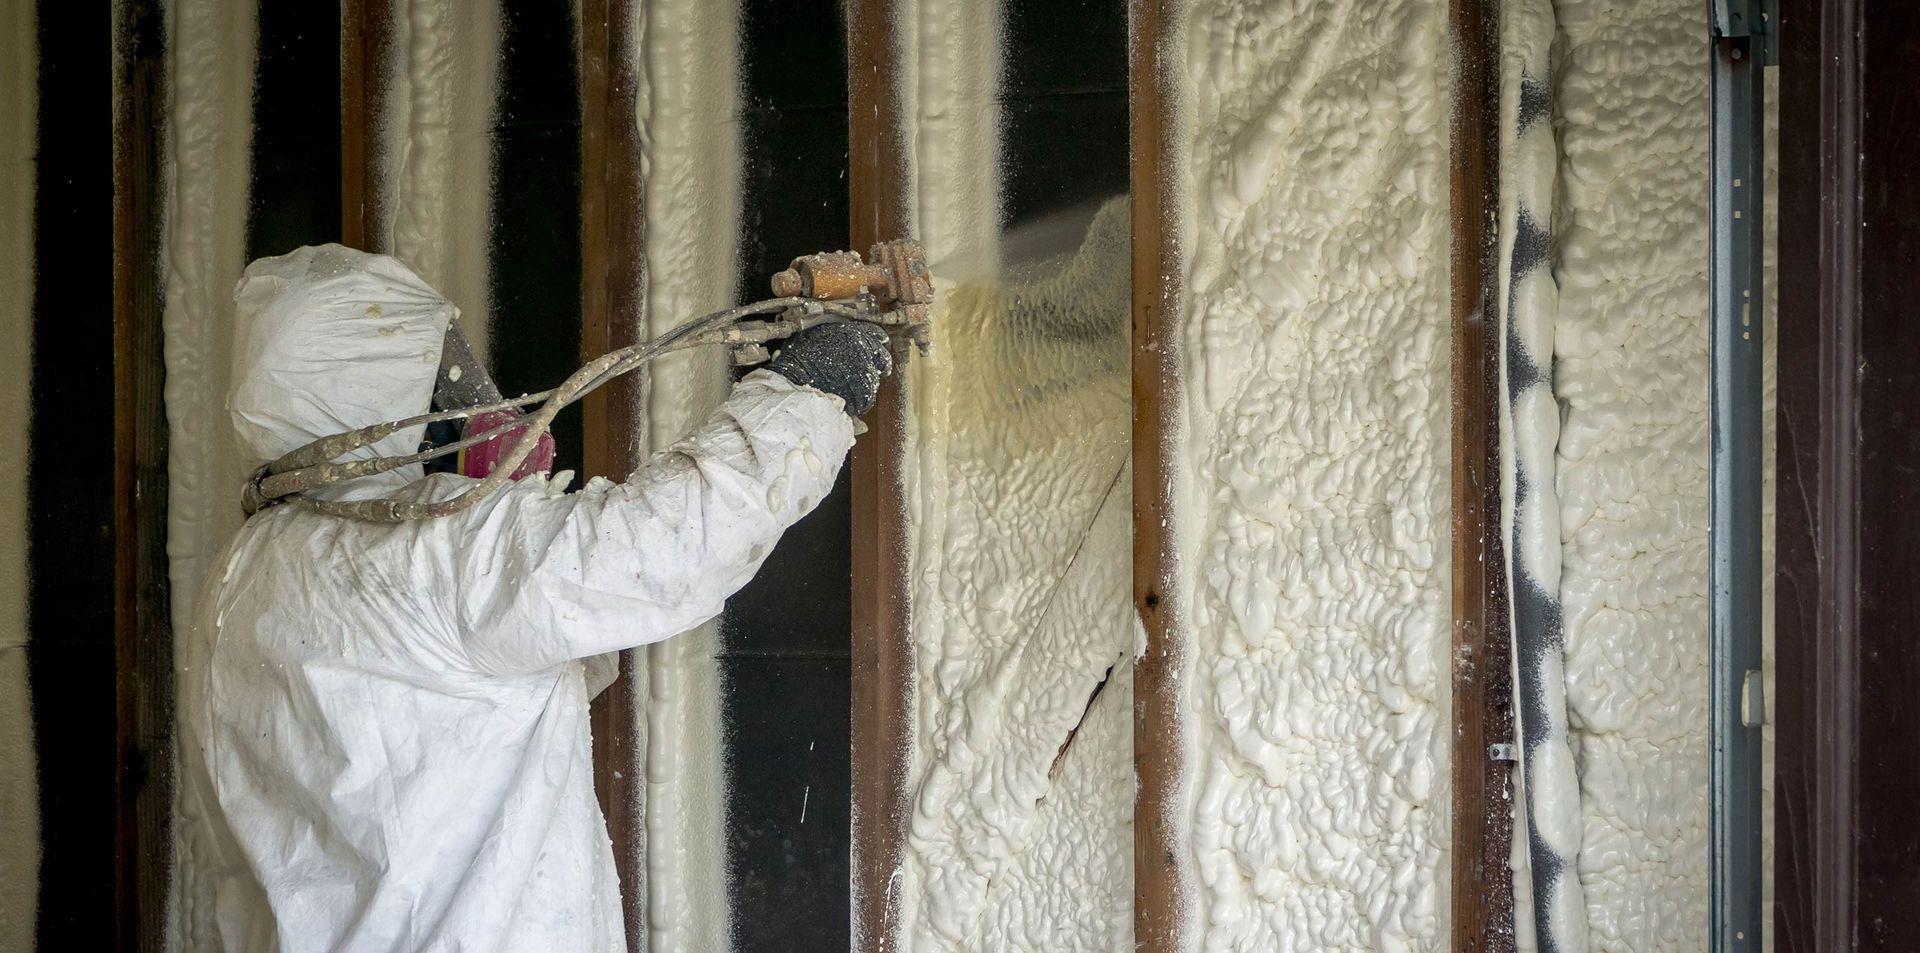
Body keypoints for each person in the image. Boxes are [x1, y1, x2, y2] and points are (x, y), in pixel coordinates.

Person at [175, 244, 892, 952]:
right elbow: (660, 551)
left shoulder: (238, 576)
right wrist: (811, 389)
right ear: (372, 382)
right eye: (432, 374)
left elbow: (500, 683)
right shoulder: (435, 549)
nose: (456, 404)